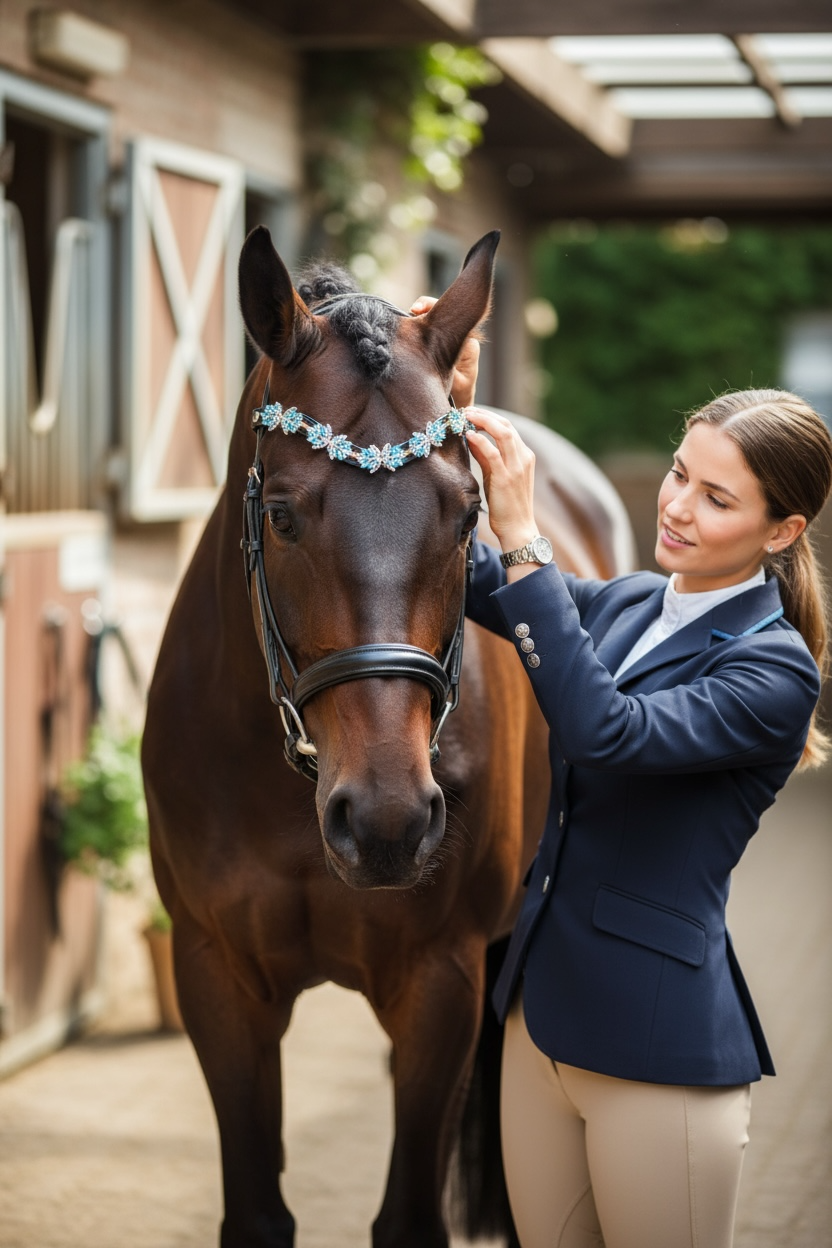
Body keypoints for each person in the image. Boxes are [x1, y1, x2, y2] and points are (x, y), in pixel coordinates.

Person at [456, 389, 832, 1248]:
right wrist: (435, 408)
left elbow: (603, 732)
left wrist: (525, 535)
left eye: (717, 497)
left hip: (657, 1055)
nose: (677, 506)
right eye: (678, 474)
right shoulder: (625, 604)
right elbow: (468, 575)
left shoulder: (773, 672)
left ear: (782, 530)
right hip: (535, 1025)